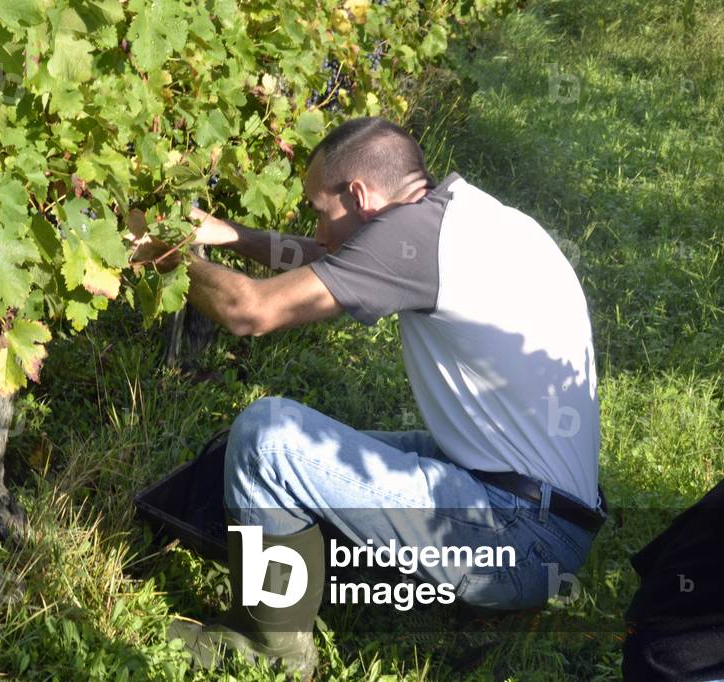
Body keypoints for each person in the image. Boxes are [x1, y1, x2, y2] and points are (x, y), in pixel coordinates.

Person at [142, 117, 606, 680]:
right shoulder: (466, 218)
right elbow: (328, 257)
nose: (317, 224)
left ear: (359, 196)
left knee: (268, 442)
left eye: (319, 208)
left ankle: (271, 648)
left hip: (521, 539)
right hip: (547, 516)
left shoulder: (413, 240)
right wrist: (230, 236)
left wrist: (166, 254)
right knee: (313, 460)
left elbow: (251, 312)